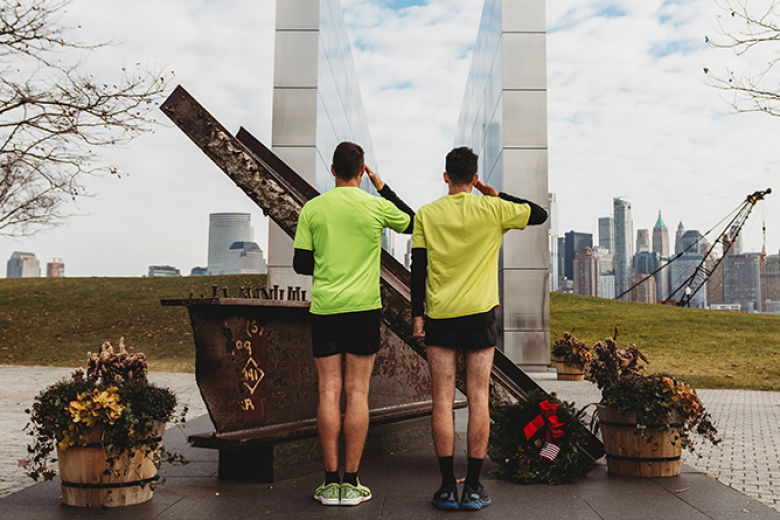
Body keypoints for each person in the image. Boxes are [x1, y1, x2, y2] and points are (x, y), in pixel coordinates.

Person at [411, 146, 547, 511]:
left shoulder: (426, 214)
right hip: (479, 316)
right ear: (474, 177)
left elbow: (418, 268)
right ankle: (471, 487)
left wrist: (417, 315)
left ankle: (445, 487)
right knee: (479, 398)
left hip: (440, 315)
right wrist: (496, 194)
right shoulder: (494, 209)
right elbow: (539, 213)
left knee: (441, 400)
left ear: (445, 176)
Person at [292, 141, 414, 506]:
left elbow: (301, 264)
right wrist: (382, 187)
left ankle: (330, 483)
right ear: (362, 171)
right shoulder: (375, 205)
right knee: (357, 392)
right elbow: (412, 221)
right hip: (363, 309)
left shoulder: (313, 208)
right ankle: (353, 482)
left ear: (332, 170)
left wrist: (330, 261)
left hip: (326, 308)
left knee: (328, 391)